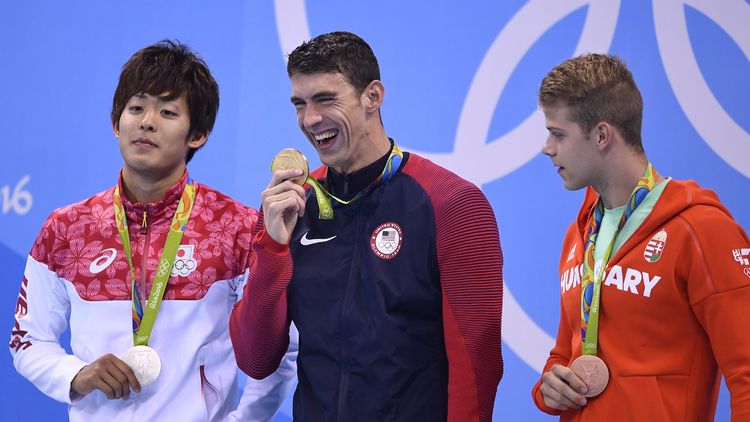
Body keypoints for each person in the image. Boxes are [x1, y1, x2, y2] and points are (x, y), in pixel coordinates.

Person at [9, 40, 297, 421]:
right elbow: (27, 340)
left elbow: (278, 350)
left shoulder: (238, 229)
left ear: (197, 134)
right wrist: (76, 374)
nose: (147, 121)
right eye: (136, 107)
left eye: (167, 111)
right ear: (116, 122)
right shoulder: (66, 229)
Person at [230, 31, 503, 421]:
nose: (310, 119)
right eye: (300, 104)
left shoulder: (451, 203)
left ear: (372, 96)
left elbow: (477, 366)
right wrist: (271, 248)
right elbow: (255, 359)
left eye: (326, 99)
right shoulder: (294, 204)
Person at [531, 53, 750, 420]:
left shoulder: (701, 230)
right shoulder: (580, 233)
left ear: (601, 135)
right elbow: (566, 353)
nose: (546, 147)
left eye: (557, 134)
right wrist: (551, 385)